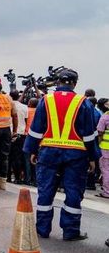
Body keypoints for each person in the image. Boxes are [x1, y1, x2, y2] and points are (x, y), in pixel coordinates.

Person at [23, 68, 100, 241]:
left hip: (49, 153)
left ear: (58, 82)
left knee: (45, 191)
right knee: (73, 192)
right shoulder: (83, 102)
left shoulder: (46, 100)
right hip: (76, 155)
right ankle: (70, 231)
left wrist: (33, 151)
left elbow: (36, 130)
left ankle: (42, 229)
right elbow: (89, 134)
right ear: (74, 83)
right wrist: (93, 157)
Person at [8, 90, 29, 184]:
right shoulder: (25, 107)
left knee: (7, 156)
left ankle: (7, 177)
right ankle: (17, 178)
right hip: (21, 134)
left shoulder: (8, 105)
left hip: (9, 132)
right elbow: (26, 120)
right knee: (18, 157)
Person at [24, 97, 39, 185]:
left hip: (27, 135)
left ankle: (28, 179)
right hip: (38, 138)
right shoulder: (39, 111)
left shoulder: (27, 110)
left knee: (27, 160)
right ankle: (35, 180)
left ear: (29, 103)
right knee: (36, 160)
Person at [96, 98, 109, 199]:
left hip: (106, 148)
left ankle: (107, 192)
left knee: (105, 170)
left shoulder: (105, 117)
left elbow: (100, 132)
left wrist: (99, 143)